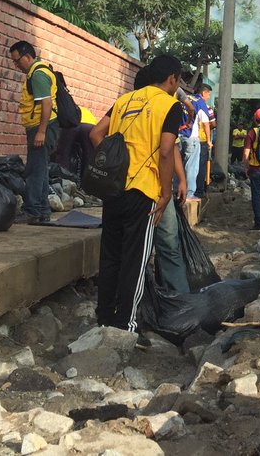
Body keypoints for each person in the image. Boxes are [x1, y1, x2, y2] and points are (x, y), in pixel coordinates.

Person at [89, 55, 190, 331]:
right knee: (135, 258)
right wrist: (165, 192)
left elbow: (96, 134)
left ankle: (104, 317)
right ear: (172, 79)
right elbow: (167, 149)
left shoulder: (124, 100)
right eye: (178, 80)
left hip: (114, 188)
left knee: (110, 256)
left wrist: (113, 162)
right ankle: (126, 325)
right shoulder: (170, 105)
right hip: (143, 192)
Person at [7, 41, 60, 225]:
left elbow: (46, 103)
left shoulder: (37, 74)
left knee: (34, 171)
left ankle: (32, 211)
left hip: (42, 127)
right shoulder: (37, 72)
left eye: (17, 61)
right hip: (42, 127)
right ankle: (42, 210)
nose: (16, 65)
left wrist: (41, 132)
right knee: (40, 170)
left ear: (27, 56)